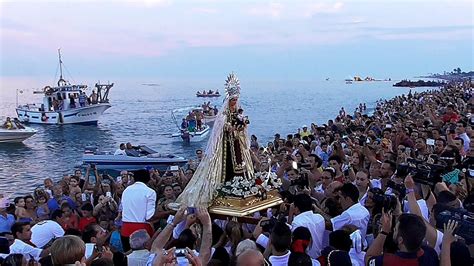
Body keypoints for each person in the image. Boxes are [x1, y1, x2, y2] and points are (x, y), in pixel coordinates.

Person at [176, 73, 255, 207]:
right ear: (229, 100)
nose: (235, 102)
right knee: (229, 163)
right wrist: (229, 127)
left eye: (236, 100)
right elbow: (220, 127)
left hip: (236, 142)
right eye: (233, 100)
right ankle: (227, 184)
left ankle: (240, 184)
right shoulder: (224, 114)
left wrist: (242, 126)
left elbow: (242, 127)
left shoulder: (238, 113)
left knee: (240, 162)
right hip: (226, 144)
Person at [121, 169, 156, 252]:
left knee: (127, 258)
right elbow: (149, 216)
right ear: (148, 179)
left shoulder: (126, 190)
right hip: (142, 231)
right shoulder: (150, 192)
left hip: (125, 229)